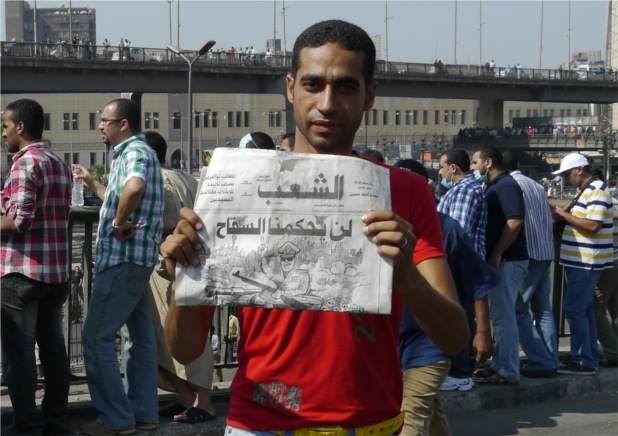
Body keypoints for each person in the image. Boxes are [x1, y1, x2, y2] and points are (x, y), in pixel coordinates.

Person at [162, 19, 469, 433]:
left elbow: (454, 339)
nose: (327, 103)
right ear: (290, 88)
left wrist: (407, 277)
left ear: (369, 95)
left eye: (345, 86)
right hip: (260, 424)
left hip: (370, 424)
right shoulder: (234, 190)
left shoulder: (405, 192)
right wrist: (185, 277)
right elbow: (184, 347)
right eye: (312, 84)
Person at [75, 98, 164, 435]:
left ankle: (116, 418)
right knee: (140, 338)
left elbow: (135, 187)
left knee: (96, 337)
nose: (101, 126)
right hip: (138, 259)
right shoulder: (139, 154)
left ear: (122, 124)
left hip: (123, 258)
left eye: (104, 121)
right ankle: (144, 412)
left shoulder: (133, 153)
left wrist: (118, 222)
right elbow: (122, 192)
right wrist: (94, 185)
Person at [395, 160, 495, 433]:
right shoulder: (381, 228)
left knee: (411, 416)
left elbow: (477, 282)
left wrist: (483, 331)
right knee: (430, 409)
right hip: (395, 343)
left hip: (431, 344)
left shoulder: (447, 229)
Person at [1, 98, 72, 435]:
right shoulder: (58, 161)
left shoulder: (24, 164)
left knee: (20, 353)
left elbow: (19, 222)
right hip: (56, 271)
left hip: (22, 271)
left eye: (5, 126)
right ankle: (56, 420)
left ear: (20, 127)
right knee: (54, 349)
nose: (3, 134)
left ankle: (26, 424)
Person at [143, 131, 216, 423]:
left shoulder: (156, 182)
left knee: (171, 334)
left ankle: (201, 402)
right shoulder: (185, 177)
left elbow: (154, 221)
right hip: (193, 257)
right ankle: (191, 400)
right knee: (191, 331)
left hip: (168, 259)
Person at [551, 153, 615, 375]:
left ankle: (583, 360)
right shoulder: (587, 190)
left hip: (585, 261)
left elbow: (592, 225)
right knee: (584, 310)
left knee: (575, 310)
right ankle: (588, 358)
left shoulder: (596, 190)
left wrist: (562, 214)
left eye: (567, 174)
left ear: (579, 170)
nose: (565, 179)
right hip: (582, 260)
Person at [471, 148, 528, 385]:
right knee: (500, 315)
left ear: (488, 162)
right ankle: (499, 364)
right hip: (503, 259)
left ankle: (508, 369)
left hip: (509, 259)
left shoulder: (506, 186)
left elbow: (515, 221)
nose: (473, 167)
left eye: (475, 162)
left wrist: (497, 252)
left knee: (504, 316)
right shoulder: (496, 186)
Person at [503, 151, 558, 378]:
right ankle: (550, 358)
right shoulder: (536, 185)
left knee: (518, 309)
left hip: (528, 253)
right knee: (543, 310)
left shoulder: (509, 186)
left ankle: (540, 360)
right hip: (546, 251)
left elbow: (515, 222)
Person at [437, 149, 487, 258]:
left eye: (441, 167)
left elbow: (458, 232)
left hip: (463, 263)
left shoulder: (465, 190)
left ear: (453, 168)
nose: (440, 172)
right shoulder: (460, 189)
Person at [594, 193, 618, 368]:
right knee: (615, 307)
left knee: (596, 307)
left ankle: (612, 350)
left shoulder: (600, 205)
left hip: (608, 262)